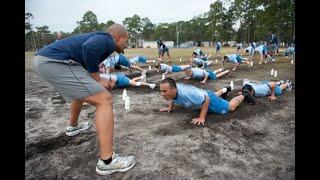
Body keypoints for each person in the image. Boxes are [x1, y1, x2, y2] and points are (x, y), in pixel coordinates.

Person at [33, 24, 135, 175]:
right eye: (125, 42)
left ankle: (73, 126)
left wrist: (98, 79)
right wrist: (97, 79)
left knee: (82, 91)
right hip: (54, 61)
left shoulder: (101, 38)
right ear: (118, 38)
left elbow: (86, 71)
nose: (125, 45)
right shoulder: (108, 40)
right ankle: (107, 161)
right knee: (104, 99)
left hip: (46, 60)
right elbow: (89, 48)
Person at [159, 78, 255, 125]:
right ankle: (226, 89)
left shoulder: (187, 94)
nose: (162, 94)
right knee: (211, 96)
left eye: (164, 91)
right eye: (161, 91)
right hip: (203, 95)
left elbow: (206, 99)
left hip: (207, 98)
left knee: (231, 107)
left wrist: (201, 117)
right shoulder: (173, 90)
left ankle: (244, 94)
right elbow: (172, 97)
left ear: (174, 89)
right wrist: (170, 107)